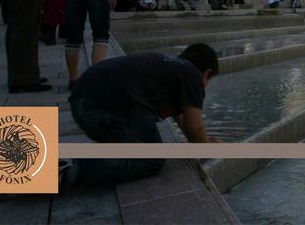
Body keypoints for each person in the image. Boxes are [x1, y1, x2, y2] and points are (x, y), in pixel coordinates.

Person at [65, 44, 220, 186]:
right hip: (104, 108)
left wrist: (203, 142)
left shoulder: (170, 68)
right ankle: (67, 170)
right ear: (207, 73)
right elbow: (195, 130)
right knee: (151, 160)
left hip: (81, 103)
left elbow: (185, 124)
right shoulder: (192, 75)